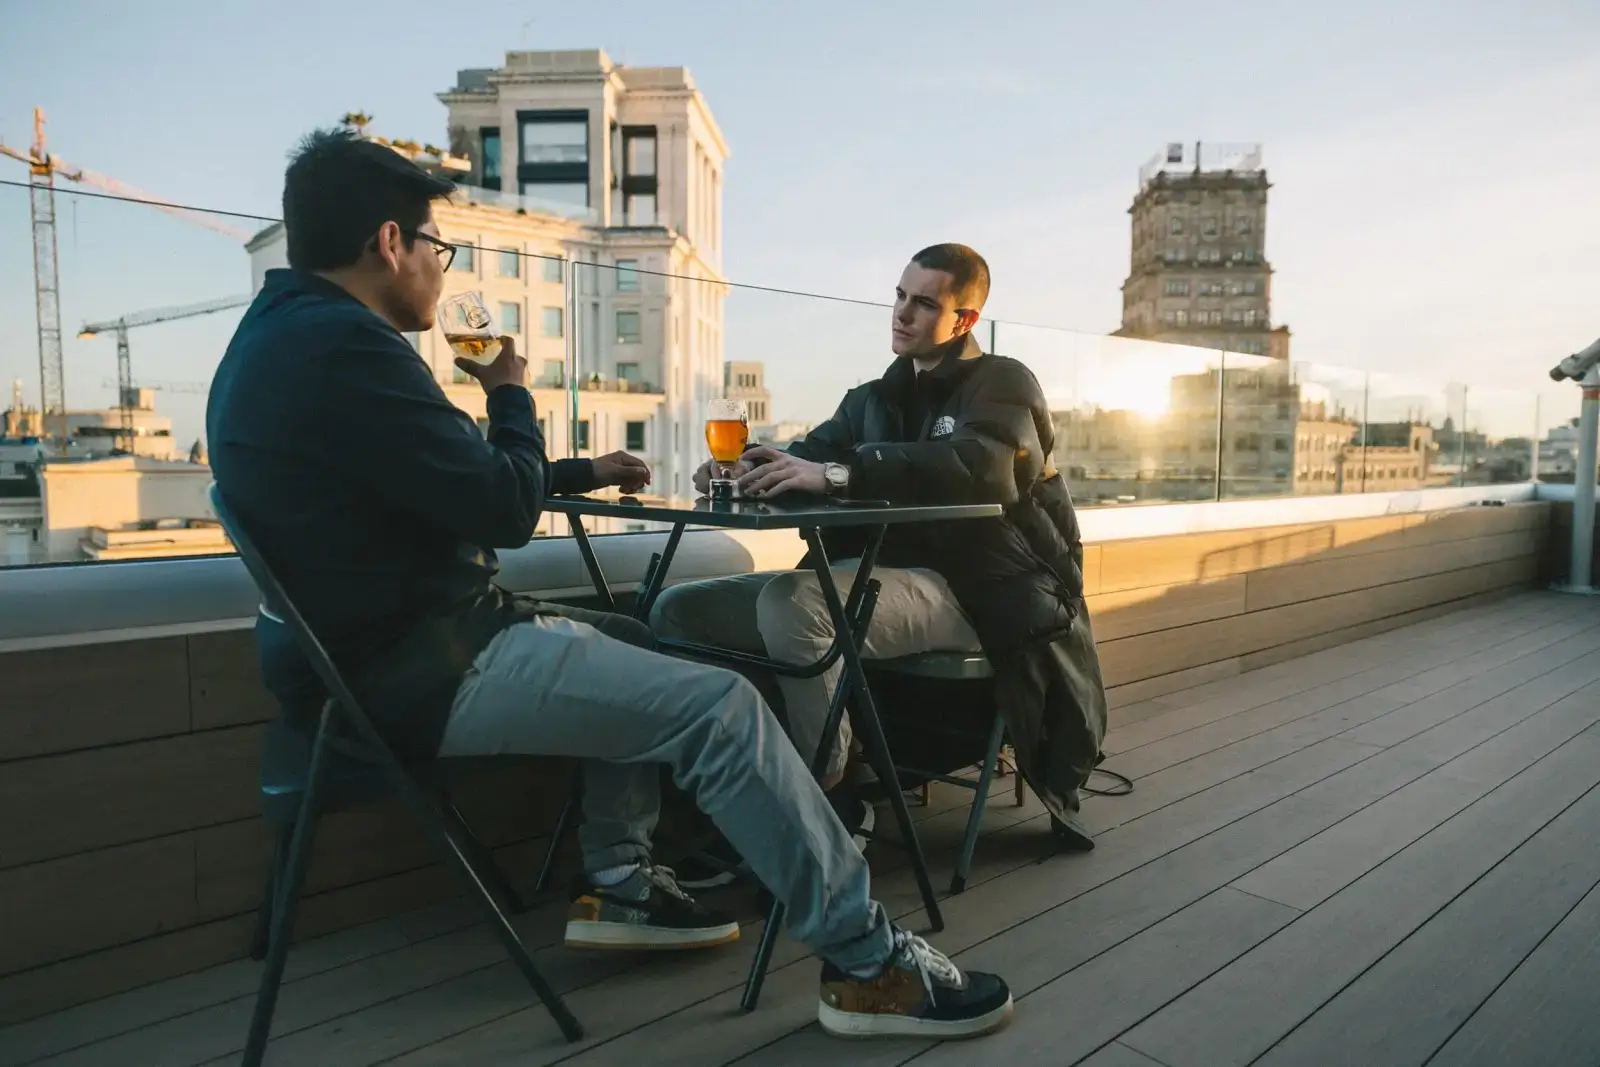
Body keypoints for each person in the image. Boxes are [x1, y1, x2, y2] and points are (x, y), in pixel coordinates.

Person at [206, 129, 1012, 1041]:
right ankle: (869, 963)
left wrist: (580, 470)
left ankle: (623, 882)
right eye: (439, 245)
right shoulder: (351, 351)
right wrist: (509, 391)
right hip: (424, 667)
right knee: (720, 709)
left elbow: (446, 482)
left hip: (366, 658)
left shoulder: (284, 338)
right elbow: (501, 510)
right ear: (391, 242)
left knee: (638, 634)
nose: (440, 265)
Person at [653, 243, 1109, 881]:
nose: (902, 313)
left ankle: (833, 798)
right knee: (679, 610)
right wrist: (750, 466)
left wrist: (843, 472)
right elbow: (811, 455)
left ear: (964, 320)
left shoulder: (1003, 382)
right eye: (899, 296)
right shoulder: (870, 399)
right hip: (886, 582)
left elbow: (985, 467)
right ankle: (743, 784)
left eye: (924, 303)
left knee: (795, 606)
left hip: (981, 592)